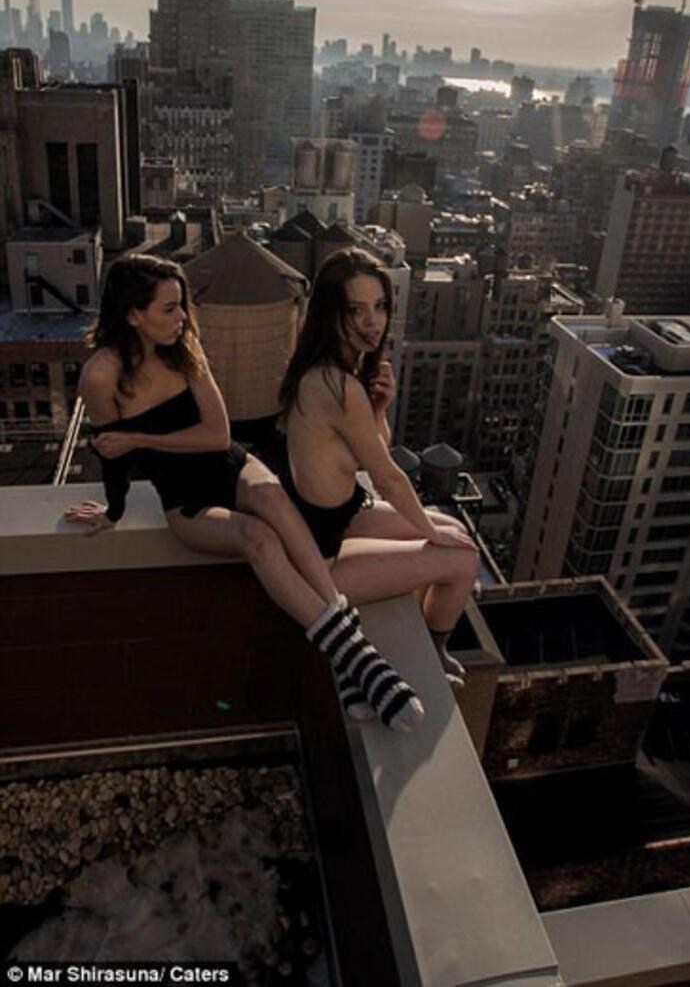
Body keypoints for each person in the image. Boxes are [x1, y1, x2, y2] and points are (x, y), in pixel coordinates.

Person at [64, 253, 423, 734]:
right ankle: (356, 656)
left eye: (182, 306)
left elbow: (217, 435)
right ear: (133, 314)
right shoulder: (100, 377)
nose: (182, 318)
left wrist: (141, 438)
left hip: (232, 465)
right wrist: (113, 509)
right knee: (258, 537)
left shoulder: (184, 347)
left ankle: (349, 654)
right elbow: (111, 452)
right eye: (169, 309)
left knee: (275, 498)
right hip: (184, 498)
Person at [279, 247, 479, 686]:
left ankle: (429, 601)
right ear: (331, 314)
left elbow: (366, 456)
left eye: (380, 307)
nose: (373, 322)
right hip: (321, 557)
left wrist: (380, 408)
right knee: (463, 557)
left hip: (339, 517)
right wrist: (429, 536)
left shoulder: (326, 370)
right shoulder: (337, 384)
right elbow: (387, 477)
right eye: (356, 310)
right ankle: (434, 650)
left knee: (453, 530)